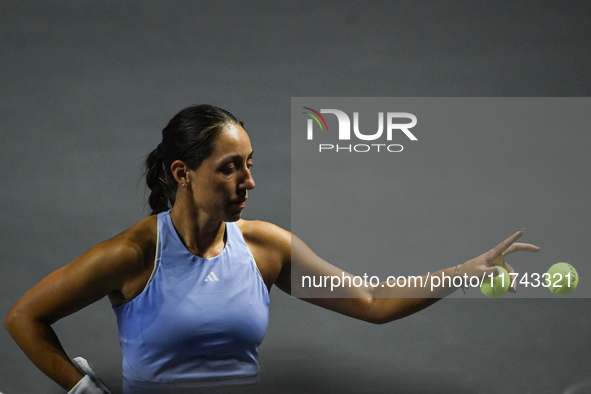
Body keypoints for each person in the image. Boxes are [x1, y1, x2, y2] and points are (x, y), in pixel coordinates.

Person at [3, 104, 540, 393]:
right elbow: (24, 317)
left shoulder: (266, 247)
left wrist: (464, 271)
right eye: (230, 167)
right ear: (182, 173)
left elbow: (373, 304)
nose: (248, 181)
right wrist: (81, 390)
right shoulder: (133, 254)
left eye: (250, 163)